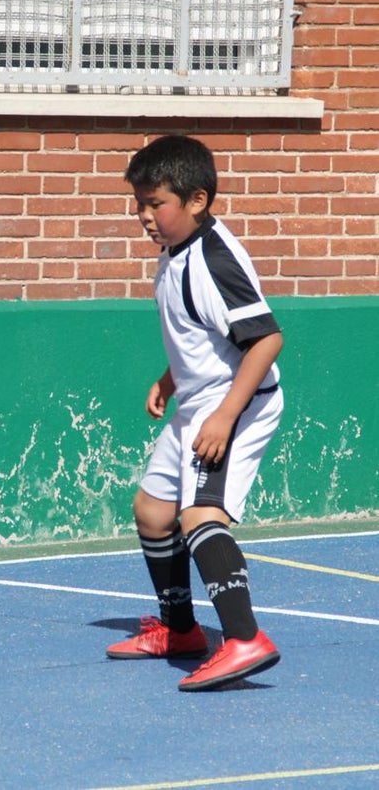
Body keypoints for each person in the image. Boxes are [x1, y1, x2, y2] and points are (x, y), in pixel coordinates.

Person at [107, 135, 284, 691]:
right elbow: (203, 332)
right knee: (153, 512)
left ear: (197, 200)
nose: (144, 215)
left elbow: (265, 340)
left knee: (200, 516)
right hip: (198, 400)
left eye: (155, 203)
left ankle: (244, 639)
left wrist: (224, 417)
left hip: (238, 405)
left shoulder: (212, 261)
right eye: (139, 203)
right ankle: (181, 630)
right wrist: (170, 379)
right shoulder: (176, 250)